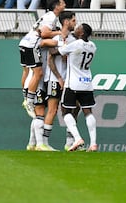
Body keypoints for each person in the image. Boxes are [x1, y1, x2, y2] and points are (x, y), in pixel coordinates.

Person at [57, 23, 98, 152]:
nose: (76, 29)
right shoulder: (93, 46)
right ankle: (93, 143)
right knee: (88, 112)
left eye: (78, 28)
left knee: (65, 111)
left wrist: (61, 43)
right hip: (86, 82)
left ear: (82, 33)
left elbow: (59, 52)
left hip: (73, 83)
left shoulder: (76, 44)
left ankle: (77, 138)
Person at [23, 0, 66, 119]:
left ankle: (27, 98)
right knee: (37, 73)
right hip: (32, 44)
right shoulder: (51, 16)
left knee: (29, 71)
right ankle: (28, 101)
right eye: (62, 3)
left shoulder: (49, 17)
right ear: (57, 6)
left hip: (26, 43)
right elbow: (44, 34)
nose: (65, 5)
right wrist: (59, 34)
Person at [44, 11, 77, 151]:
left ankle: (70, 142)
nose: (75, 23)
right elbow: (50, 58)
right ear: (66, 22)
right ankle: (43, 143)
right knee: (52, 109)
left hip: (68, 80)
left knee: (74, 107)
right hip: (53, 78)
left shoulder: (73, 40)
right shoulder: (56, 37)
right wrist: (58, 78)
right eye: (73, 20)